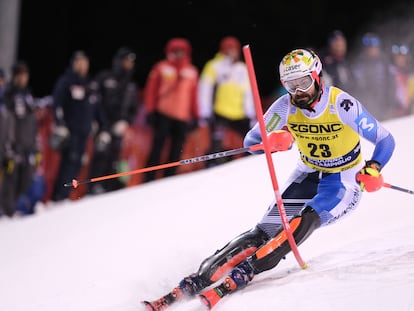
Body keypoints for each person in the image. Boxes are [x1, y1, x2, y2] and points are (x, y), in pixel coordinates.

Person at [141, 48, 396, 310]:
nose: (299, 91)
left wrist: (374, 167)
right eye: (291, 85)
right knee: (263, 231)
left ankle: (247, 271)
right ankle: (200, 277)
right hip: (308, 174)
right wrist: (272, 140)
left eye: (304, 83)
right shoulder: (284, 107)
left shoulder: (341, 104)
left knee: (304, 220)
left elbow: (385, 139)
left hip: (344, 180)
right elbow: (250, 141)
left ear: (317, 78)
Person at [143, 38, 200, 182]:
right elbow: (151, 90)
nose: (179, 54)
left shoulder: (191, 71)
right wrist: (150, 110)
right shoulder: (162, 67)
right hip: (164, 114)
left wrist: (196, 115)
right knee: (157, 146)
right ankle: (149, 177)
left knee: (177, 149)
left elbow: (194, 96)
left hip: (182, 117)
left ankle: (169, 179)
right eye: (176, 51)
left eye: (182, 51)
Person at [88, 47, 139, 194]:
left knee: (115, 157)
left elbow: (133, 109)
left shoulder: (131, 85)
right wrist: (99, 124)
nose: (129, 64)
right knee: (100, 154)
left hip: (118, 127)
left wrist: (126, 121)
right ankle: (94, 187)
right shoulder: (105, 78)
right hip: (102, 125)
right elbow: (95, 102)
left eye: (131, 62)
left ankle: (109, 189)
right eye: (126, 61)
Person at [198, 36, 255, 167]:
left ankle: (251, 165)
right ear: (223, 50)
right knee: (216, 142)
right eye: (228, 49)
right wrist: (204, 111)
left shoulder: (242, 68)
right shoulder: (214, 65)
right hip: (220, 111)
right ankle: (212, 165)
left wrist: (250, 113)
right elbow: (205, 88)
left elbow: (248, 93)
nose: (232, 52)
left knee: (250, 139)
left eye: (234, 49)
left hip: (239, 113)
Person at [50, 51, 99, 201]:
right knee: (68, 164)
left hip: (84, 133)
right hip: (70, 132)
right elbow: (57, 104)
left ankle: (67, 196)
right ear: (74, 63)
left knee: (78, 164)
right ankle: (59, 197)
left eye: (85, 62)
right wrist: (61, 125)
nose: (83, 66)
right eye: (80, 62)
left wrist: (97, 124)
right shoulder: (66, 81)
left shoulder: (89, 84)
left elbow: (95, 108)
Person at [0, 61, 40, 217]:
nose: (24, 78)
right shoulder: (9, 95)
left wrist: (36, 146)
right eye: (20, 75)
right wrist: (8, 149)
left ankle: (15, 208)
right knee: (10, 180)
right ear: (15, 77)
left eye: (25, 75)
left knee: (26, 178)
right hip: (13, 146)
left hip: (27, 146)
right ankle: (6, 212)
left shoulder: (28, 95)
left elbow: (33, 122)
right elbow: (7, 124)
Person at [350, 32, 395, 121]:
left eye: (374, 47)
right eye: (369, 48)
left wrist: (391, 105)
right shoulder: (358, 63)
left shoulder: (384, 62)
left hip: (384, 104)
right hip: (366, 106)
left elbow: (391, 84)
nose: (372, 50)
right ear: (364, 49)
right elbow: (355, 87)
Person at [387, 43, 414, 118]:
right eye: (398, 56)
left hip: (409, 111)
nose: (400, 59)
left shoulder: (410, 73)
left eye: (402, 56)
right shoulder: (389, 73)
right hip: (394, 112)